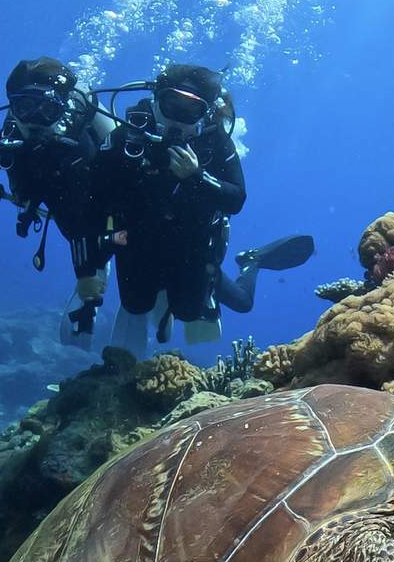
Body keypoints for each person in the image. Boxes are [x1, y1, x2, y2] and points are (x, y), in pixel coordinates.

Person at [94, 63, 304, 356]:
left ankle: (251, 262)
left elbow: (236, 199)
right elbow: (94, 189)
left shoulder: (214, 141)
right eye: (171, 105)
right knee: (135, 305)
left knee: (221, 307)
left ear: (204, 114)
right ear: (156, 102)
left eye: (190, 111)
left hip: (192, 247)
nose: (178, 120)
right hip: (138, 244)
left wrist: (197, 177)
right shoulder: (132, 133)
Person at [0, 57, 116, 345]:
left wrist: (86, 276)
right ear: (13, 108)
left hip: (84, 205)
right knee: (76, 231)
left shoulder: (77, 148)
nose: (35, 120)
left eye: (48, 109)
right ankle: (95, 274)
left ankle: (99, 278)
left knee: (94, 235)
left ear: (61, 110)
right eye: (25, 107)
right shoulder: (5, 139)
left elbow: (80, 224)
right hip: (46, 198)